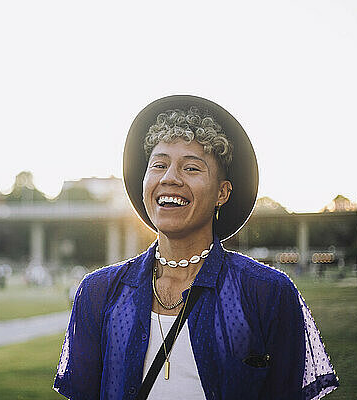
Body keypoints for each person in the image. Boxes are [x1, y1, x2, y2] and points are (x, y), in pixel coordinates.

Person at [53, 95, 338, 399]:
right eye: (159, 165)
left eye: (191, 168)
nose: (169, 178)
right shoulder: (98, 292)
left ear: (222, 193)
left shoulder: (266, 292)